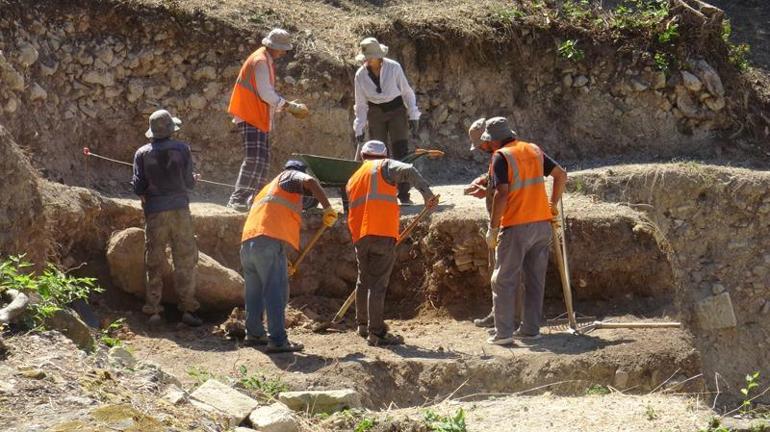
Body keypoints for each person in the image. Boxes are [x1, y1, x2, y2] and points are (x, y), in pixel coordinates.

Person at [479, 117, 567, 346]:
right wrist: (553, 205)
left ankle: (504, 333)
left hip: (516, 226)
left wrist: (493, 227)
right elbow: (561, 175)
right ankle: (530, 331)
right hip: (542, 224)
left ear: (494, 140)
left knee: (504, 280)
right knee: (535, 280)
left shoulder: (501, 156)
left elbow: (502, 193)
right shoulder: (533, 149)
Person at [240, 159, 339, 353]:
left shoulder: (268, 188)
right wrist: (328, 207)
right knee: (275, 291)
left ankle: (254, 333)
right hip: (267, 241)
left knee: (254, 292)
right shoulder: (289, 176)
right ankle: (277, 340)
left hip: (248, 244)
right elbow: (310, 181)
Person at [346, 140, 438, 346]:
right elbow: (409, 169)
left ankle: (362, 325)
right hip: (381, 232)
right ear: (384, 155)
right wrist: (427, 194)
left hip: (360, 235)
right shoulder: (384, 166)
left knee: (364, 280)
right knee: (378, 284)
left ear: (363, 156)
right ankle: (376, 333)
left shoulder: (353, 178)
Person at [132, 109, 203, 327]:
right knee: (185, 259)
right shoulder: (182, 149)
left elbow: (138, 186)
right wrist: (192, 180)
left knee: (154, 261)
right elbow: (189, 183)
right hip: (180, 210)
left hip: (155, 212)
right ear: (172, 129)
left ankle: (153, 311)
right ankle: (188, 309)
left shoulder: (141, 153)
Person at [227, 28, 307, 212]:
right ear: (274, 47)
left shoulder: (264, 59)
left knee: (262, 160)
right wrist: (288, 106)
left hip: (255, 114)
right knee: (255, 158)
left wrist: (283, 105)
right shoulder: (261, 62)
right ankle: (238, 198)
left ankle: (254, 199)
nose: (283, 52)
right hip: (250, 114)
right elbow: (266, 94)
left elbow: (264, 93)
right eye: (282, 49)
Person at [465, 118, 523, 330]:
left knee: (508, 274)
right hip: (500, 222)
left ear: (489, 140)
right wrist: (484, 182)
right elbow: (498, 179)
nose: (480, 149)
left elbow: (505, 190)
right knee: (497, 272)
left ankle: (513, 320)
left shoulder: (507, 154)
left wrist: (494, 227)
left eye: (481, 145)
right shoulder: (497, 155)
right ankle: (498, 314)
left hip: (509, 222)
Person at [352, 37, 421, 205]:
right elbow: (360, 104)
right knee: (378, 153)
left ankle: (404, 194)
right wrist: (359, 127)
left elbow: (406, 92)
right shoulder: (360, 75)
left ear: (379, 56)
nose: (369, 60)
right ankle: (383, 192)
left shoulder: (394, 67)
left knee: (400, 150)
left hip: (396, 109)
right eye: (367, 57)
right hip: (375, 113)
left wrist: (413, 114)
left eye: (372, 56)